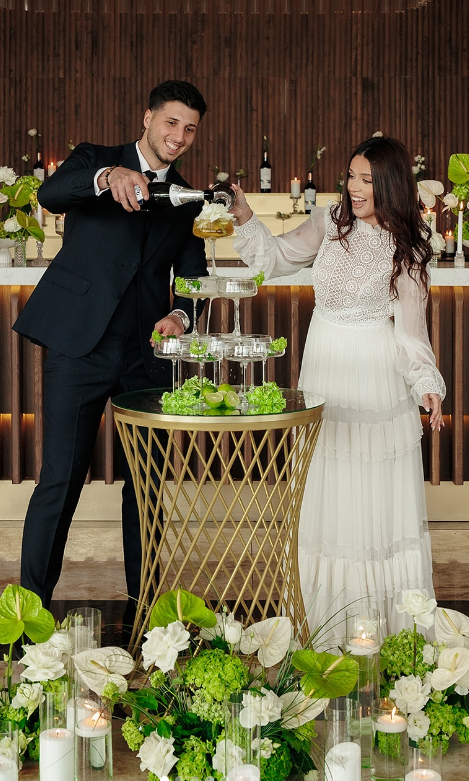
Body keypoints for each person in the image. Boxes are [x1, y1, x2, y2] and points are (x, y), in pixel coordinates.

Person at [230, 136, 445, 644]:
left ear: (391, 185)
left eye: (367, 180)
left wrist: (427, 384)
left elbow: (411, 336)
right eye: (351, 176)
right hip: (324, 371)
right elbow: (277, 257)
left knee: (370, 502)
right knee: (325, 493)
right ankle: (322, 629)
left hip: (373, 380)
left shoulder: (408, 251)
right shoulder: (330, 222)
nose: (354, 188)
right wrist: (244, 218)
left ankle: (377, 634)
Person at [13, 80, 208, 622]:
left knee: (145, 490)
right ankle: (28, 620)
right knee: (59, 481)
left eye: (190, 129)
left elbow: (193, 275)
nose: (179, 136)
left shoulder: (186, 197)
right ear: (147, 118)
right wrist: (106, 177)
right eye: (171, 122)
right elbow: (52, 194)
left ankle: (144, 618)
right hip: (80, 347)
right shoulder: (94, 160)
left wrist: (181, 315)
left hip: (147, 355)